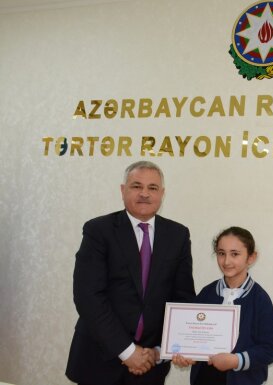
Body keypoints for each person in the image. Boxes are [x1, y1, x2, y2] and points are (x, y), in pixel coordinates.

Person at [66, 161, 196, 385]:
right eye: (136, 186)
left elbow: (182, 298)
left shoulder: (178, 235)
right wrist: (127, 352)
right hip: (99, 361)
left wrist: (162, 350)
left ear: (162, 194)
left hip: (150, 365)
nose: (144, 193)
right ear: (123, 190)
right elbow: (88, 297)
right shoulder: (98, 230)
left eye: (152, 188)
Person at [172, 226, 273, 385]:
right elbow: (191, 336)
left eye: (235, 254)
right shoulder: (207, 293)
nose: (226, 261)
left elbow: (270, 349)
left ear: (251, 257)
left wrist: (237, 360)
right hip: (204, 379)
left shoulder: (259, 299)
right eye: (221, 253)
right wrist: (185, 354)